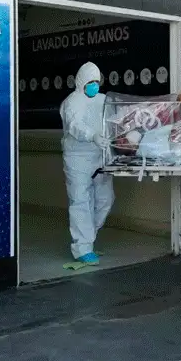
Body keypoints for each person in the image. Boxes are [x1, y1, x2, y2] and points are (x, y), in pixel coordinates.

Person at [59, 62, 113, 265]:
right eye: (90, 82)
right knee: (80, 201)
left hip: (100, 156)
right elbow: (75, 125)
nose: (94, 85)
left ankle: (89, 235)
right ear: (81, 81)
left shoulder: (103, 100)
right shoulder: (71, 102)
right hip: (77, 158)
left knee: (105, 199)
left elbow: (115, 118)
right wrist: (92, 136)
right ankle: (82, 247)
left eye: (96, 81)